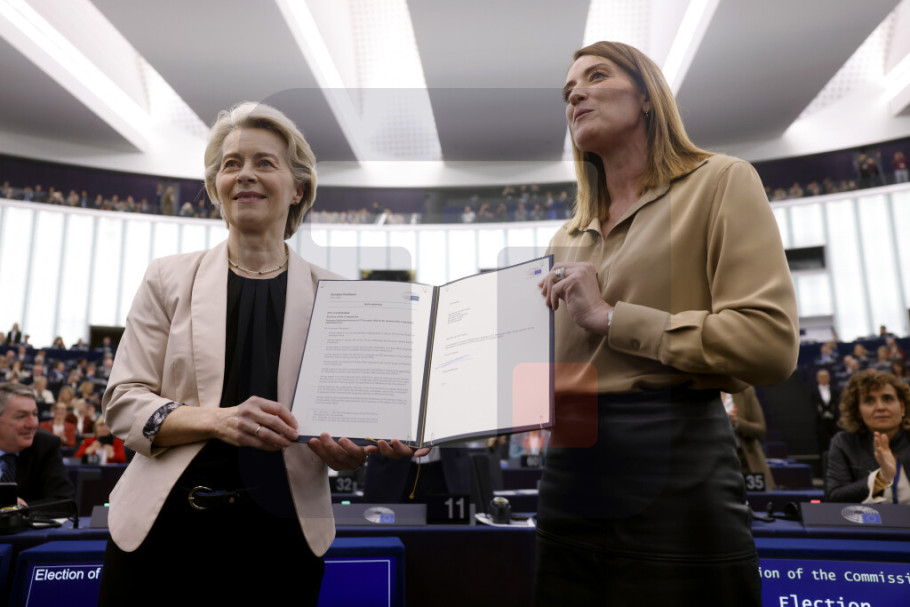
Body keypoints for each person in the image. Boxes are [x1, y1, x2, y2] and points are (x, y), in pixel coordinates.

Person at [96, 101, 423, 606]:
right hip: (163, 531)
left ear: (298, 189)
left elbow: (344, 433)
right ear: (217, 187)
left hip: (284, 540)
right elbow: (122, 404)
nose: (245, 174)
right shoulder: (167, 278)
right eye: (232, 164)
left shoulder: (341, 296)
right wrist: (219, 420)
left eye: (264, 162)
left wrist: (349, 453)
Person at [534, 41, 798, 606]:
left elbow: (770, 345)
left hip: (677, 460)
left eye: (596, 76)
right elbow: (549, 379)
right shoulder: (565, 237)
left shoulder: (721, 181)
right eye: (567, 91)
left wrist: (611, 317)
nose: (575, 94)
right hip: (568, 469)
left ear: (648, 96)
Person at [825, 369, 909, 504]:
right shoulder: (844, 443)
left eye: (887, 399)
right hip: (868, 517)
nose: (880, 407)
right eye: (869, 401)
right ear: (858, 411)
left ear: (902, 406)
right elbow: (835, 496)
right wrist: (881, 478)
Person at [0, 383, 75, 509]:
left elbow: (64, 503)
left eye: (34, 414)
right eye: (21, 416)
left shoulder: (45, 445)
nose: (32, 424)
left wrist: (17, 509)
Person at [722, 387, 776, 490]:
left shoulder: (745, 390)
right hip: (714, 463)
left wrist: (736, 422)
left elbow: (760, 429)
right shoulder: (699, 390)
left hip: (745, 460)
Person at [811, 368, 841, 455]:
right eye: (821, 377)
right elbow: (813, 406)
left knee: (836, 441)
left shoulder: (835, 391)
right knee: (822, 442)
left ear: (829, 378)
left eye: (825, 376)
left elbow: (838, 404)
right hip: (820, 421)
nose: (823, 378)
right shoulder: (813, 392)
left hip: (834, 421)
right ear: (817, 378)